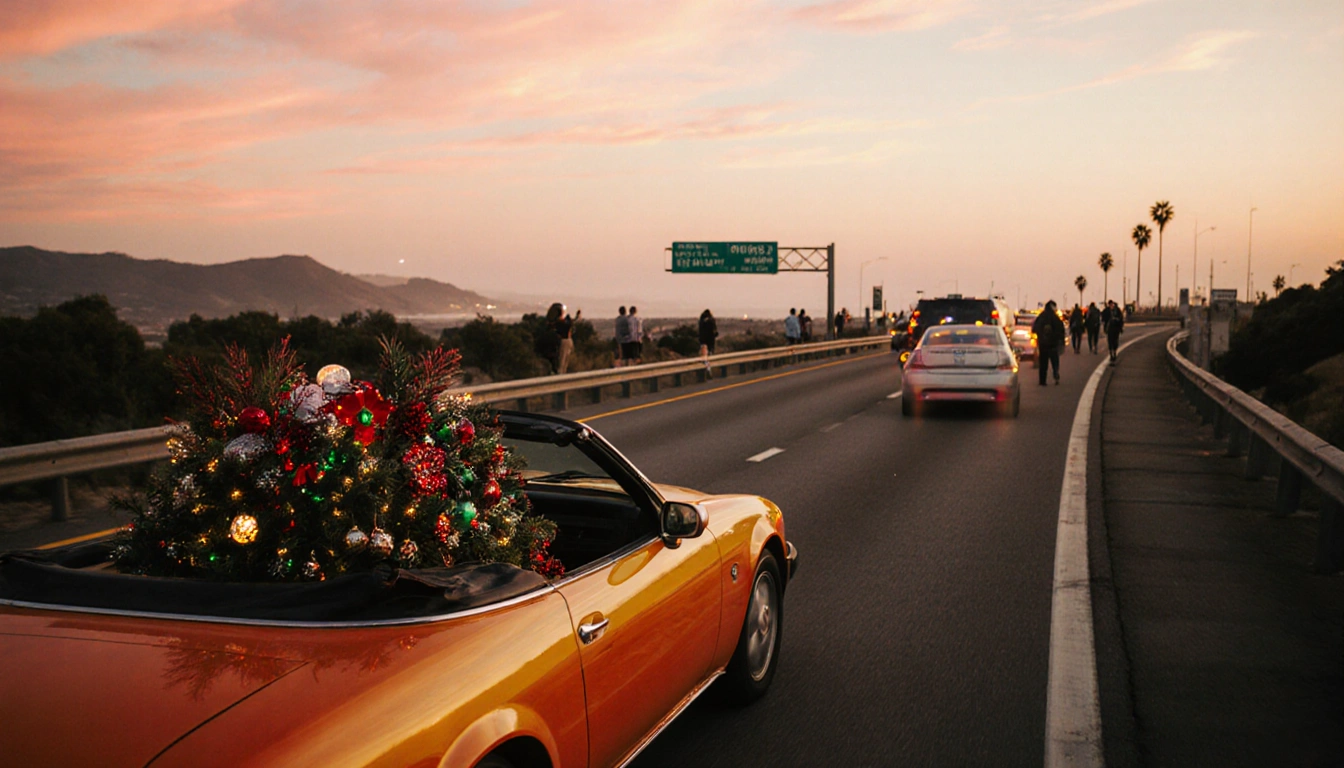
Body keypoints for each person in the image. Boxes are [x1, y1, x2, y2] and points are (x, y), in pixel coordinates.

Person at [1032, 301, 1065, 385]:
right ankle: (1056, 375)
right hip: (1053, 344)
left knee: (1043, 364)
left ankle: (1042, 381)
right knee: (1055, 362)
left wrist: (1041, 336)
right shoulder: (1055, 317)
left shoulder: (1041, 316)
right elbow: (1061, 330)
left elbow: (1034, 329)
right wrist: (1060, 340)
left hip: (1043, 345)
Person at [553, 305, 581, 374]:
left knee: (565, 359)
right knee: (563, 359)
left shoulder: (559, 322)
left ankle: (562, 372)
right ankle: (561, 373)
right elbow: (570, 323)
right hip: (565, 340)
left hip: (566, 340)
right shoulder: (560, 322)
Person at [698, 309, 718, 377]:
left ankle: (707, 369)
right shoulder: (711, 321)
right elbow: (715, 332)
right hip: (710, 342)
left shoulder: (701, 321)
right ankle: (708, 370)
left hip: (702, 341)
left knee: (704, 357)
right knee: (709, 356)